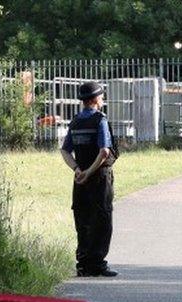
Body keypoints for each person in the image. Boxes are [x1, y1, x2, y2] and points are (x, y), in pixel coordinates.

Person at [60, 82, 118, 277]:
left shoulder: (75, 121)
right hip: (99, 178)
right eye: (101, 97)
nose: (103, 100)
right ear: (95, 100)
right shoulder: (100, 120)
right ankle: (98, 264)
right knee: (102, 218)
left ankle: (83, 264)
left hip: (79, 180)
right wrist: (90, 172)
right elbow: (104, 151)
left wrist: (77, 169)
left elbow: (65, 150)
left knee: (82, 218)